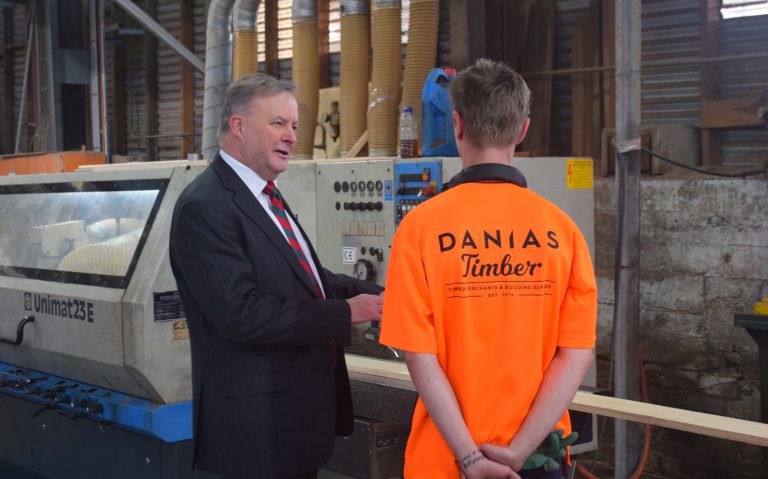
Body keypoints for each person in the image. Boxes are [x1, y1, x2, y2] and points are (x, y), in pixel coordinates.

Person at [379, 58, 597, 479]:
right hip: (539, 457)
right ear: (522, 130)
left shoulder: (420, 228)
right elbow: (576, 355)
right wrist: (517, 453)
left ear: (457, 125)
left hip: (446, 462)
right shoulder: (562, 231)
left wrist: (471, 458)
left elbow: (418, 357)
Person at [169, 73, 383, 479]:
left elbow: (308, 280)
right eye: (278, 123)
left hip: (289, 424)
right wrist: (343, 313)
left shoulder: (264, 193)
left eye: (295, 126)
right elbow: (240, 313)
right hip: (254, 431)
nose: (291, 136)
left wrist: (381, 296)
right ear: (238, 126)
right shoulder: (206, 206)